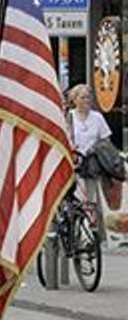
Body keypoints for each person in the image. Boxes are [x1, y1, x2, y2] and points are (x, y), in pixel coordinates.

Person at [66, 84, 114, 242]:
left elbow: (105, 139)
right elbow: (65, 138)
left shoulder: (97, 118)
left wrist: (95, 148)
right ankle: (74, 231)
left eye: (88, 97)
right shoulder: (69, 117)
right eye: (83, 97)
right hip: (74, 165)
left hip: (92, 165)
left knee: (90, 201)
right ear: (74, 100)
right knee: (76, 201)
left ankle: (87, 236)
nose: (87, 100)